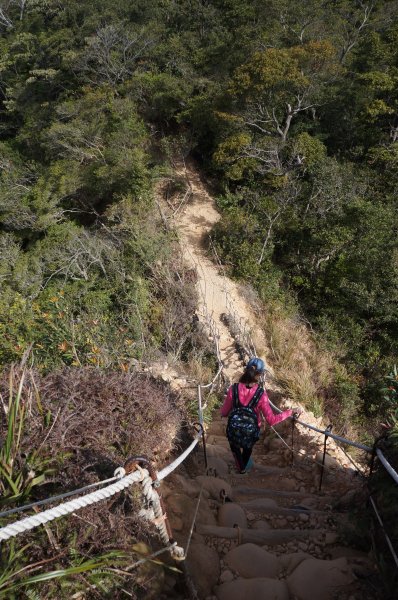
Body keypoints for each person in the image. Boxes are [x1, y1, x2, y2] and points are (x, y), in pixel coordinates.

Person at [220, 357, 300, 474]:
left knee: (234, 442)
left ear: (246, 370)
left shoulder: (234, 389)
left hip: (234, 430)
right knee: (248, 446)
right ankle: (242, 468)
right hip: (251, 432)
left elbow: (224, 412)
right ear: (260, 374)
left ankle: (240, 467)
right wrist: (290, 412)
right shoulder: (261, 394)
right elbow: (272, 420)